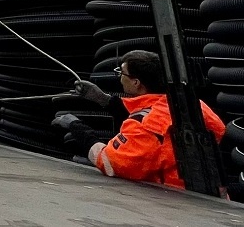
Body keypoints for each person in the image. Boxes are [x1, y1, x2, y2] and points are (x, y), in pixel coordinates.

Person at [52, 49, 225, 188]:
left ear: (136, 82)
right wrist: (104, 100)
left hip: (171, 203)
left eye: (122, 72)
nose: (119, 76)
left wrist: (77, 127)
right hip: (207, 196)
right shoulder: (193, 105)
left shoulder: (148, 125)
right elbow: (151, 112)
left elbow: (112, 162)